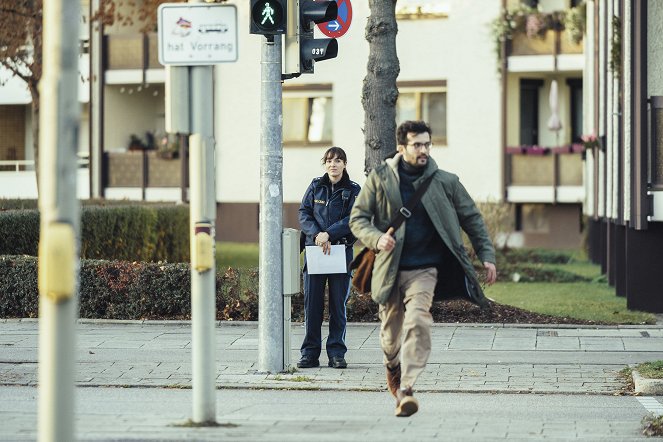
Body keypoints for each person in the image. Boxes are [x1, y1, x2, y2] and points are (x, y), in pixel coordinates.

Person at [349, 120, 497, 417]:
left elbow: (472, 218)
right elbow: (358, 218)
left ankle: (406, 387)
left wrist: (487, 254)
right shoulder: (380, 179)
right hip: (389, 269)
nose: (424, 150)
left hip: (425, 270)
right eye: (417, 144)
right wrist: (377, 239)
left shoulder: (445, 181)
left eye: (427, 144)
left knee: (419, 322)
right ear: (402, 147)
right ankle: (392, 364)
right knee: (390, 335)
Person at [298, 147, 361, 369]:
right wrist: (317, 235)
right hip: (316, 252)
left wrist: (329, 234)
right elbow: (304, 213)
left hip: (340, 253)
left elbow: (355, 218)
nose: (333, 164)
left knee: (338, 306)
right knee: (312, 306)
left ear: (345, 164)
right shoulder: (316, 186)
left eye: (338, 160)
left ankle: (336, 353)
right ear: (324, 164)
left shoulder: (353, 190)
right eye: (329, 160)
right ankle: (310, 353)